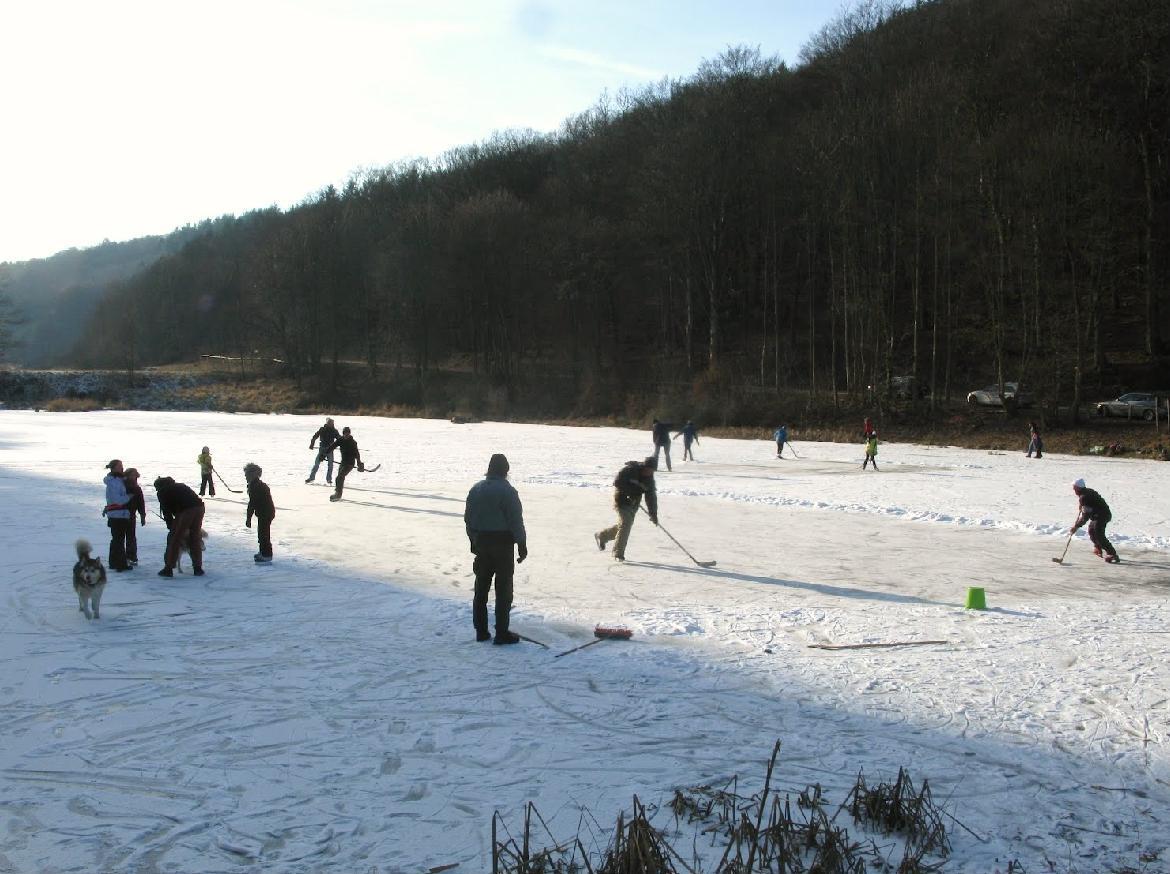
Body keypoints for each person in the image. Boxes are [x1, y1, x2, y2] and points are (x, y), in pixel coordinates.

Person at [464, 453, 528, 644]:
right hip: (503, 546)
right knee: (503, 590)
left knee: (481, 589)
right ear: (506, 470)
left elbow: (468, 519)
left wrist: (474, 540)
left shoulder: (476, 489)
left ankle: (481, 631)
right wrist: (522, 544)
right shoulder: (508, 492)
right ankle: (501, 633)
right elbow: (516, 521)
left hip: (482, 543)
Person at [595, 456, 658, 561]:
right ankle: (618, 553)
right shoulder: (630, 470)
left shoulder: (650, 480)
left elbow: (651, 497)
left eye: (652, 471)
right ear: (644, 466)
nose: (649, 473)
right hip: (621, 499)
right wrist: (631, 492)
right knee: (626, 524)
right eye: (648, 469)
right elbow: (617, 482)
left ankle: (602, 536)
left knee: (624, 526)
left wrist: (653, 514)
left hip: (634, 503)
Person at [153, 476, 206, 577]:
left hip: (186, 511)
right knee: (195, 537)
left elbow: (166, 511)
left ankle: (168, 568)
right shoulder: (181, 486)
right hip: (199, 508)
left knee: (176, 538)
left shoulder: (163, 492)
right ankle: (198, 568)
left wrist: (171, 526)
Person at [1071, 478, 1119, 563]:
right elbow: (1090, 504)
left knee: (1099, 534)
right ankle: (1098, 547)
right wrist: (1082, 505)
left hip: (1102, 516)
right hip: (1098, 515)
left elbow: (1086, 515)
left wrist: (1076, 526)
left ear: (1078, 488)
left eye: (1074, 487)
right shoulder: (1087, 492)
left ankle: (1112, 553)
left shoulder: (1084, 496)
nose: (1073, 489)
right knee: (1091, 531)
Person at [102, 459, 133, 572]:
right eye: (120, 466)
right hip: (117, 514)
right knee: (119, 539)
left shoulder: (117, 480)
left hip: (118, 514)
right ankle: (120, 564)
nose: (122, 467)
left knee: (117, 539)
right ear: (114, 467)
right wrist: (129, 497)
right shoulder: (114, 482)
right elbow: (117, 500)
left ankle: (114, 562)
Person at [244, 463, 275, 563]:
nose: (245, 477)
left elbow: (252, 503)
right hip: (265, 512)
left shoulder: (256, 486)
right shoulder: (256, 484)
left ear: (253, 474)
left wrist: (248, 519)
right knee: (262, 533)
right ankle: (264, 552)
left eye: (247, 475)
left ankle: (266, 554)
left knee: (263, 534)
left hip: (265, 512)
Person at [329, 426, 363, 502]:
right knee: (339, 478)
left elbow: (356, 453)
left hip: (350, 463)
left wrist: (359, 463)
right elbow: (332, 447)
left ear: (349, 433)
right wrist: (323, 455)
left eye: (348, 433)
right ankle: (338, 492)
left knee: (340, 477)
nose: (346, 435)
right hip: (343, 462)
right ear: (343, 433)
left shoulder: (353, 442)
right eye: (345, 433)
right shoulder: (340, 440)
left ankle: (338, 494)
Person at [123, 467, 147, 568]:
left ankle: (132, 557)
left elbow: (141, 503)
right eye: (131, 475)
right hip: (120, 514)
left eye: (134, 475)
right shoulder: (121, 486)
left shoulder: (137, 488)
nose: (132, 477)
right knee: (121, 538)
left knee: (131, 537)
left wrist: (142, 516)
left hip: (131, 515)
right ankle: (123, 557)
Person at [307, 417, 340, 484]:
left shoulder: (334, 431)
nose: (331, 424)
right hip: (322, 449)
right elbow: (315, 437)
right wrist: (312, 444)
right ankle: (311, 478)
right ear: (327, 423)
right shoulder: (322, 429)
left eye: (332, 423)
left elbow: (339, 439)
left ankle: (329, 479)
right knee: (316, 464)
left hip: (330, 449)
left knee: (330, 465)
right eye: (329, 423)